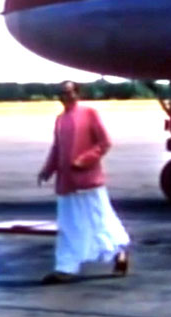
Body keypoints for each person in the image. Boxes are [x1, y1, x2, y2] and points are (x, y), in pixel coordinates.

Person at [37, 80, 130, 284]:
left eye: (69, 92)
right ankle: (65, 267)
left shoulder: (89, 113)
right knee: (68, 225)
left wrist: (84, 160)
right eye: (62, 93)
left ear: (77, 94)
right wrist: (47, 169)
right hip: (67, 182)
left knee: (101, 220)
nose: (66, 96)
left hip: (88, 180)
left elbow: (104, 143)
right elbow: (57, 148)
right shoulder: (60, 120)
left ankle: (119, 253)